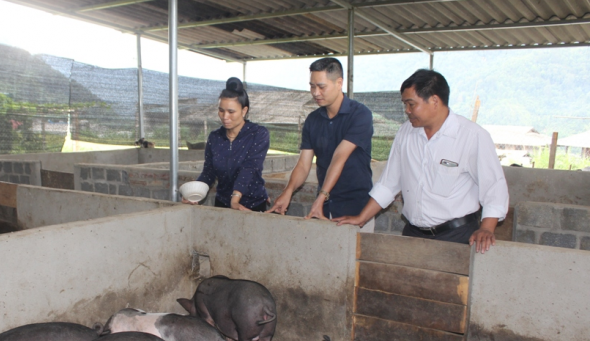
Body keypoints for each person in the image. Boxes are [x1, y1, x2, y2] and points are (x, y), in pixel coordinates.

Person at [336, 69, 509, 253]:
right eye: (405, 104)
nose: (407, 111)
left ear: (434, 100)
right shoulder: (406, 133)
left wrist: (486, 229)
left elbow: (494, 188)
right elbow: (389, 183)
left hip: (457, 237)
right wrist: (361, 218)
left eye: (411, 104)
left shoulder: (472, 136)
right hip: (413, 234)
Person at [268, 58, 374, 226]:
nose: (315, 93)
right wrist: (288, 191)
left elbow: (339, 156)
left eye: (321, 87)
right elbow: (304, 164)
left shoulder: (360, 115)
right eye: (312, 86)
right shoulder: (312, 120)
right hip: (325, 206)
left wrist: (321, 196)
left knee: (355, 252)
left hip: (356, 207)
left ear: (339, 83)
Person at [183, 77, 270, 211]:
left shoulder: (258, 134)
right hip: (223, 203)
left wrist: (235, 199)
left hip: (252, 204)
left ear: (244, 111)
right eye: (221, 110)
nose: (225, 117)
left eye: (231, 112)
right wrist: (194, 193)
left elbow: (250, 167)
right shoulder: (215, 137)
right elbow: (208, 172)